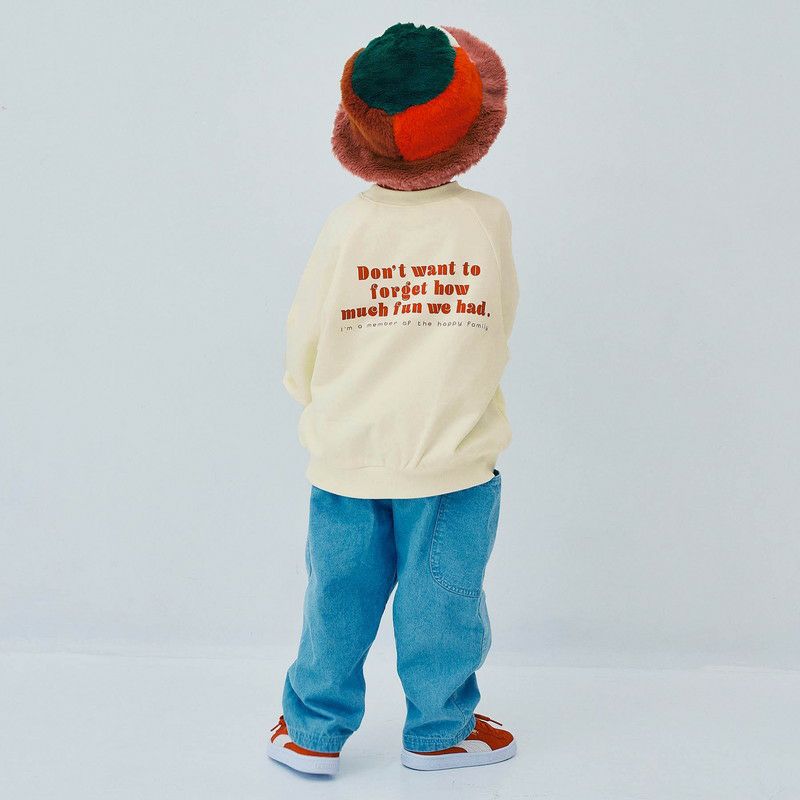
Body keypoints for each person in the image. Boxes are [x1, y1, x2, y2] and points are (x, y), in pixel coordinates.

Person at [268, 22, 519, 776]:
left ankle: (312, 732)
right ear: (471, 132)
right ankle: (440, 731)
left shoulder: (348, 224)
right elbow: (497, 325)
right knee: (444, 600)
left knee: (336, 599)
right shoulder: (485, 219)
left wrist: (316, 400)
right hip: (451, 454)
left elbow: (304, 334)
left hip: (348, 452)